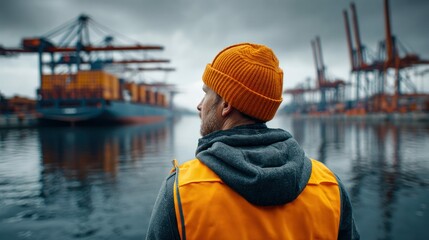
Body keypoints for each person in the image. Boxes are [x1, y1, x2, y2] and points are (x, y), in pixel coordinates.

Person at [146, 43, 359, 240]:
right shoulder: (329, 187)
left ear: (226, 104)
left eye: (206, 94)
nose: (199, 105)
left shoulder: (181, 191)